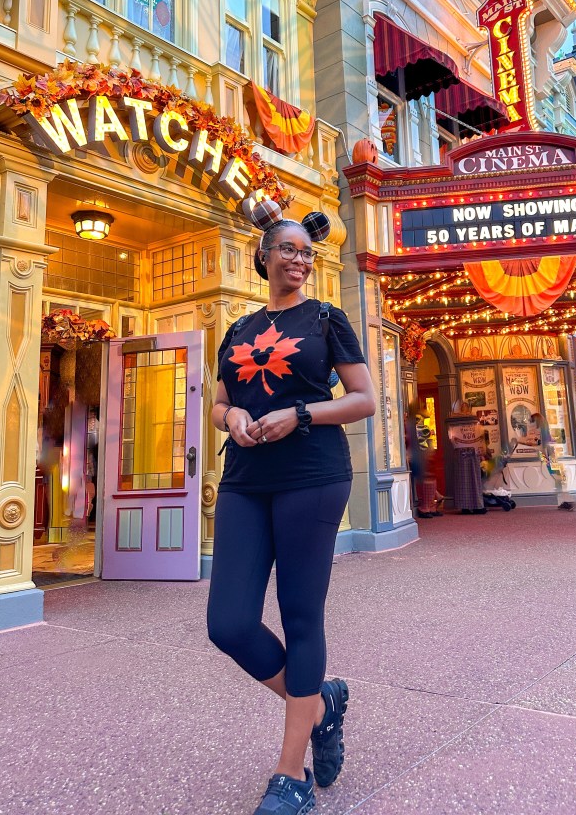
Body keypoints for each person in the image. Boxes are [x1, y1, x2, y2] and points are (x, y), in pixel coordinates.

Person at [207, 215, 376, 815]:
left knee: (301, 615)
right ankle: (322, 704)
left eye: (307, 252)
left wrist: (300, 414)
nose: (300, 260)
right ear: (264, 256)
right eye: (288, 249)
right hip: (245, 480)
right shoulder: (238, 328)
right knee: (228, 624)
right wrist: (230, 417)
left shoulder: (327, 318)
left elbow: (364, 399)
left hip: (313, 476)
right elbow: (220, 401)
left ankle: (290, 776)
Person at [446, 400, 487, 514]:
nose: (464, 409)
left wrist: (481, 449)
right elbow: (451, 436)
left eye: (466, 407)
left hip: (472, 452)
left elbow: (479, 435)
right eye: (462, 407)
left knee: (474, 479)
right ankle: (465, 507)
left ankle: (476, 505)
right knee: (463, 480)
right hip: (461, 452)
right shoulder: (455, 422)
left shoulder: (472, 420)